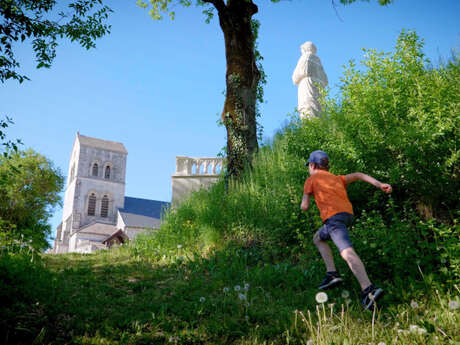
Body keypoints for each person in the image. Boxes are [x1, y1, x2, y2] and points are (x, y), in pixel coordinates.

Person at [300, 150, 392, 310]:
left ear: (313, 165)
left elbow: (305, 206)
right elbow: (358, 174)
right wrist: (379, 184)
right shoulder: (337, 178)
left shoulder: (311, 179)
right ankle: (332, 274)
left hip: (333, 218)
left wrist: (305, 200)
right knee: (318, 238)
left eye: (309, 165)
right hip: (346, 215)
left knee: (347, 252)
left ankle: (369, 290)